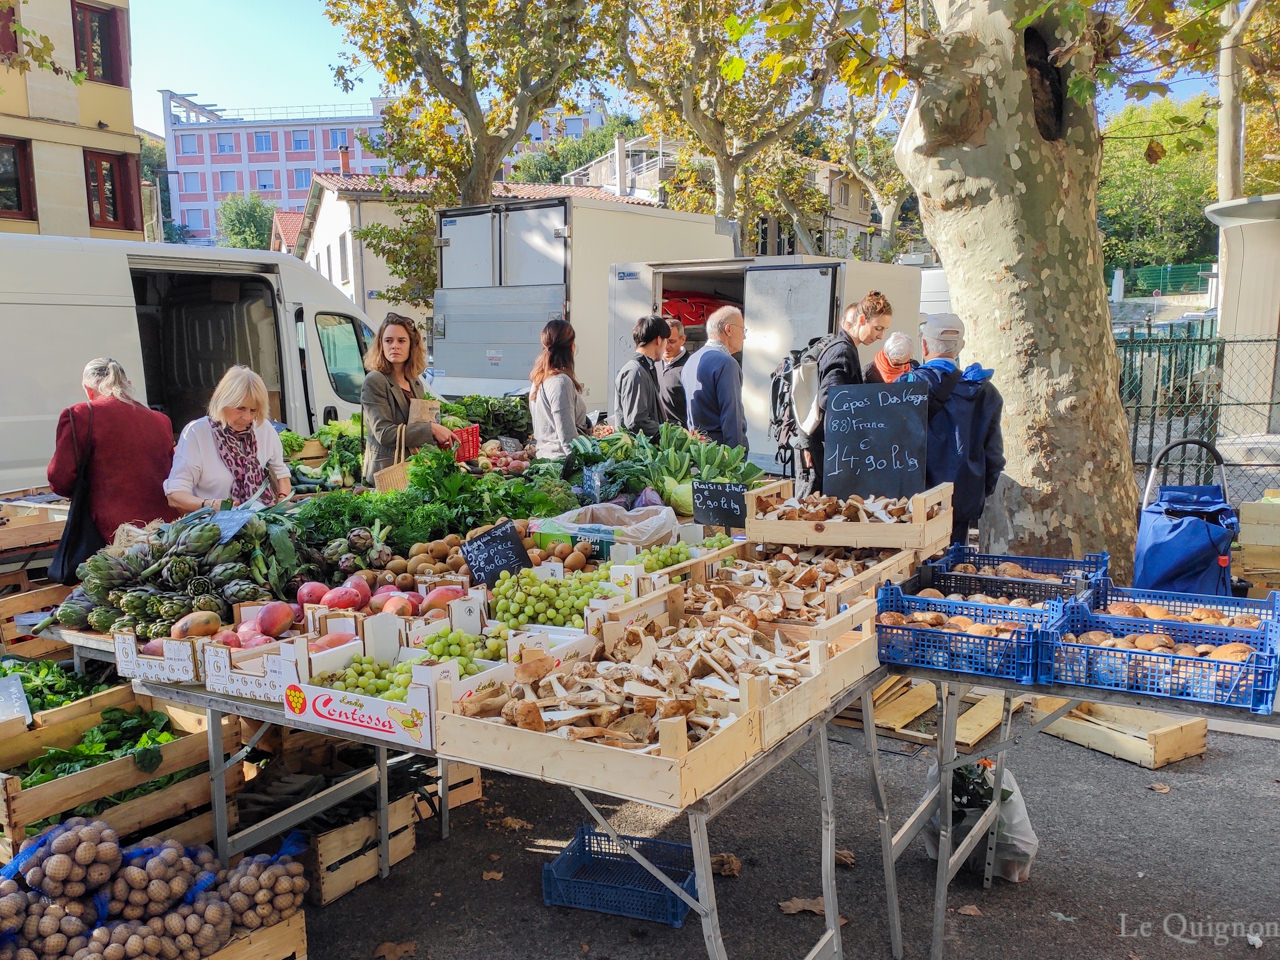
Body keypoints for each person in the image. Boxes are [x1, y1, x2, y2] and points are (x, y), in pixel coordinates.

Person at [47, 358, 179, 542]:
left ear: (87, 389)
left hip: (114, 532)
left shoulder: (79, 415)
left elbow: (59, 478)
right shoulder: (161, 420)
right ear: (128, 385)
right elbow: (173, 470)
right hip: (165, 527)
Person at [902, 314, 1005, 545]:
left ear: (924, 344)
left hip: (911, 504)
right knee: (953, 567)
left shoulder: (906, 387)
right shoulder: (985, 392)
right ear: (961, 347)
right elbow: (994, 456)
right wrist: (977, 491)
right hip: (960, 503)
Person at [800, 291, 893, 495]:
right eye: (877, 328)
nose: (880, 336)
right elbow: (830, 397)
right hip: (828, 453)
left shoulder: (843, 346)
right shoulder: (843, 351)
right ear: (861, 320)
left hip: (828, 451)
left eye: (884, 330)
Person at [165, 366, 291, 513]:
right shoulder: (196, 433)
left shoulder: (263, 429)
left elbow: (282, 473)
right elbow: (175, 495)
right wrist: (210, 505)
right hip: (213, 526)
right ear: (223, 402)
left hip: (259, 522)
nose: (247, 417)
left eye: (253, 410)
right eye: (240, 408)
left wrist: (283, 500)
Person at [360, 313, 456, 483]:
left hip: (413, 472)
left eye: (401, 341)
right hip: (388, 475)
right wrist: (432, 430)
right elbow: (384, 433)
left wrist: (448, 433)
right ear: (381, 345)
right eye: (388, 341)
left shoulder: (414, 381)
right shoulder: (375, 380)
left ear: (411, 345)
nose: (394, 346)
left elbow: (420, 422)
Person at [682, 305, 747, 449]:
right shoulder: (726, 363)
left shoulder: (691, 360)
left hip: (698, 448)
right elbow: (731, 416)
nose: (744, 336)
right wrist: (735, 459)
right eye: (742, 330)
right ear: (728, 329)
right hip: (720, 453)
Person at [529, 319, 591, 459]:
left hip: (545, 459)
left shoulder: (538, 379)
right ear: (572, 347)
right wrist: (584, 464)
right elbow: (568, 440)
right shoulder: (561, 382)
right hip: (561, 464)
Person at [612, 315, 668, 440]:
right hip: (639, 451)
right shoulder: (636, 372)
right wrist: (669, 433)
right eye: (666, 341)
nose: (666, 347)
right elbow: (636, 422)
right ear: (658, 340)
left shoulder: (642, 369)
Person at [657, 319, 690, 426]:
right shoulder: (653, 363)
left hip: (681, 435)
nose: (666, 347)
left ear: (683, 339)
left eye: (671, 341)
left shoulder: (691, 366)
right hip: (656, 434)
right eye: (663, 341)